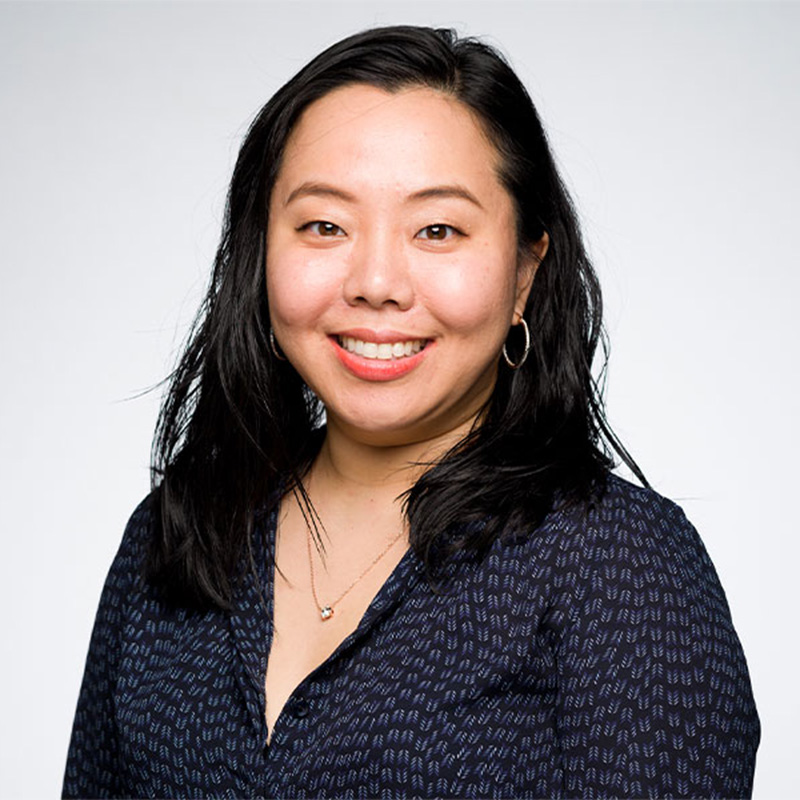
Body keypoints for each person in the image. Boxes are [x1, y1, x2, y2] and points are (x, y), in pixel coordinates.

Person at [62, 25, 759, 799]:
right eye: (325, 225)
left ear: (526, 271)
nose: (377, 282)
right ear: (261, 251)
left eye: (438, 230)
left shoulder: (622, 565)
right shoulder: (173, 534)